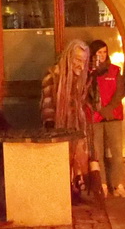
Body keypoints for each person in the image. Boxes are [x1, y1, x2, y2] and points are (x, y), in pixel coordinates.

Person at [40, 38, 94, 199]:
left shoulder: (82, 79)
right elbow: (47, 102)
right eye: (77, 59)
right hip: (59, 124)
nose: (81, 64)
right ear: (69, 56)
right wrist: (50, 124)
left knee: (79, 157)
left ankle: (78, 189)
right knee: (61, 160)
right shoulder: (53, 76)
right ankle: (63, 192)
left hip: (77, 125)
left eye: (84, 60)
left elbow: (86, 102)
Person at [85, 39, 125, 197]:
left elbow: (120, 92)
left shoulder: (115, 70)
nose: (102, 55)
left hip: (113, 116)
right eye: (99, 53)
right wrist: (98, 110)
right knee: (97, 152)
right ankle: (102, 184)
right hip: (95, 117)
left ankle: (118, 184)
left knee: (116, 152)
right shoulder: (87, 73)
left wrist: (108, 109)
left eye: (104, 52)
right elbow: (85, 95)